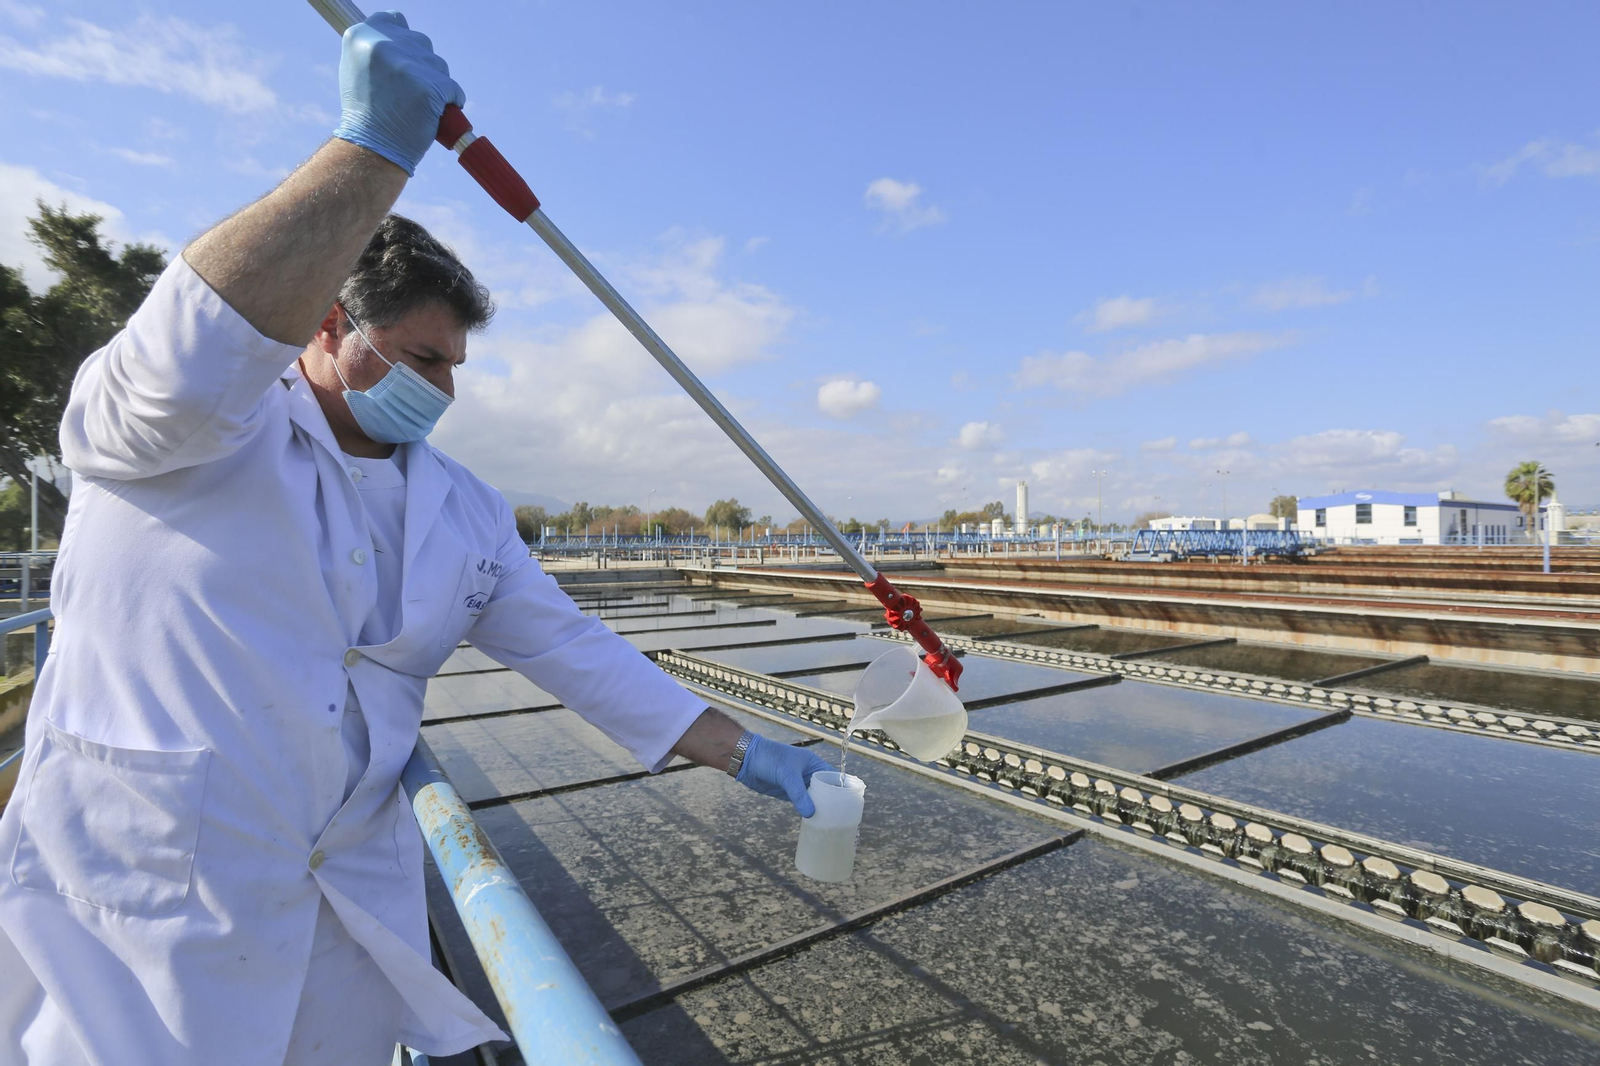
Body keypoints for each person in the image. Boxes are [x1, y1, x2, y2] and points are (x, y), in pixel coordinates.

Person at [0, 12, 829, 1065]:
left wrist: (739, 748)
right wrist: (369, 153)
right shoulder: (181, 434)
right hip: (136, 907)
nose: (441, 390)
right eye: (420, 358)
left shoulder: (465, 507)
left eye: (453, 367)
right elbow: (190, 350)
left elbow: (571, 647)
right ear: (327, 324)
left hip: (342, 914)